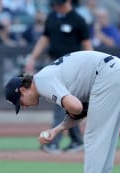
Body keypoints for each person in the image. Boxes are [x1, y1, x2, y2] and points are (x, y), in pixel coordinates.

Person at [6, 50, 120, 173]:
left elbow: (77, 108)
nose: (24, 107)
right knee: (107, 139)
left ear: (23, 90)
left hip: (108, 75)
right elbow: (80, 110)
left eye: (20, 103)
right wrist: (56, 130)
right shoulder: (45, 79)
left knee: (95, 138)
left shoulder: (42, 82)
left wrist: (69, 115)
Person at [24, 0, 93, 153]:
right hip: (54, 65)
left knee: (61, 103)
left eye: (58, 3)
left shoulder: (78, 20)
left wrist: (92, 69)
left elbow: (88, 46)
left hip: (74, 70)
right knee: (67, 104)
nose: (56, 6)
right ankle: (76, 141)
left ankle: (53, 142)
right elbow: (44, 38)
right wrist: (33, 57)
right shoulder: (52, 17)